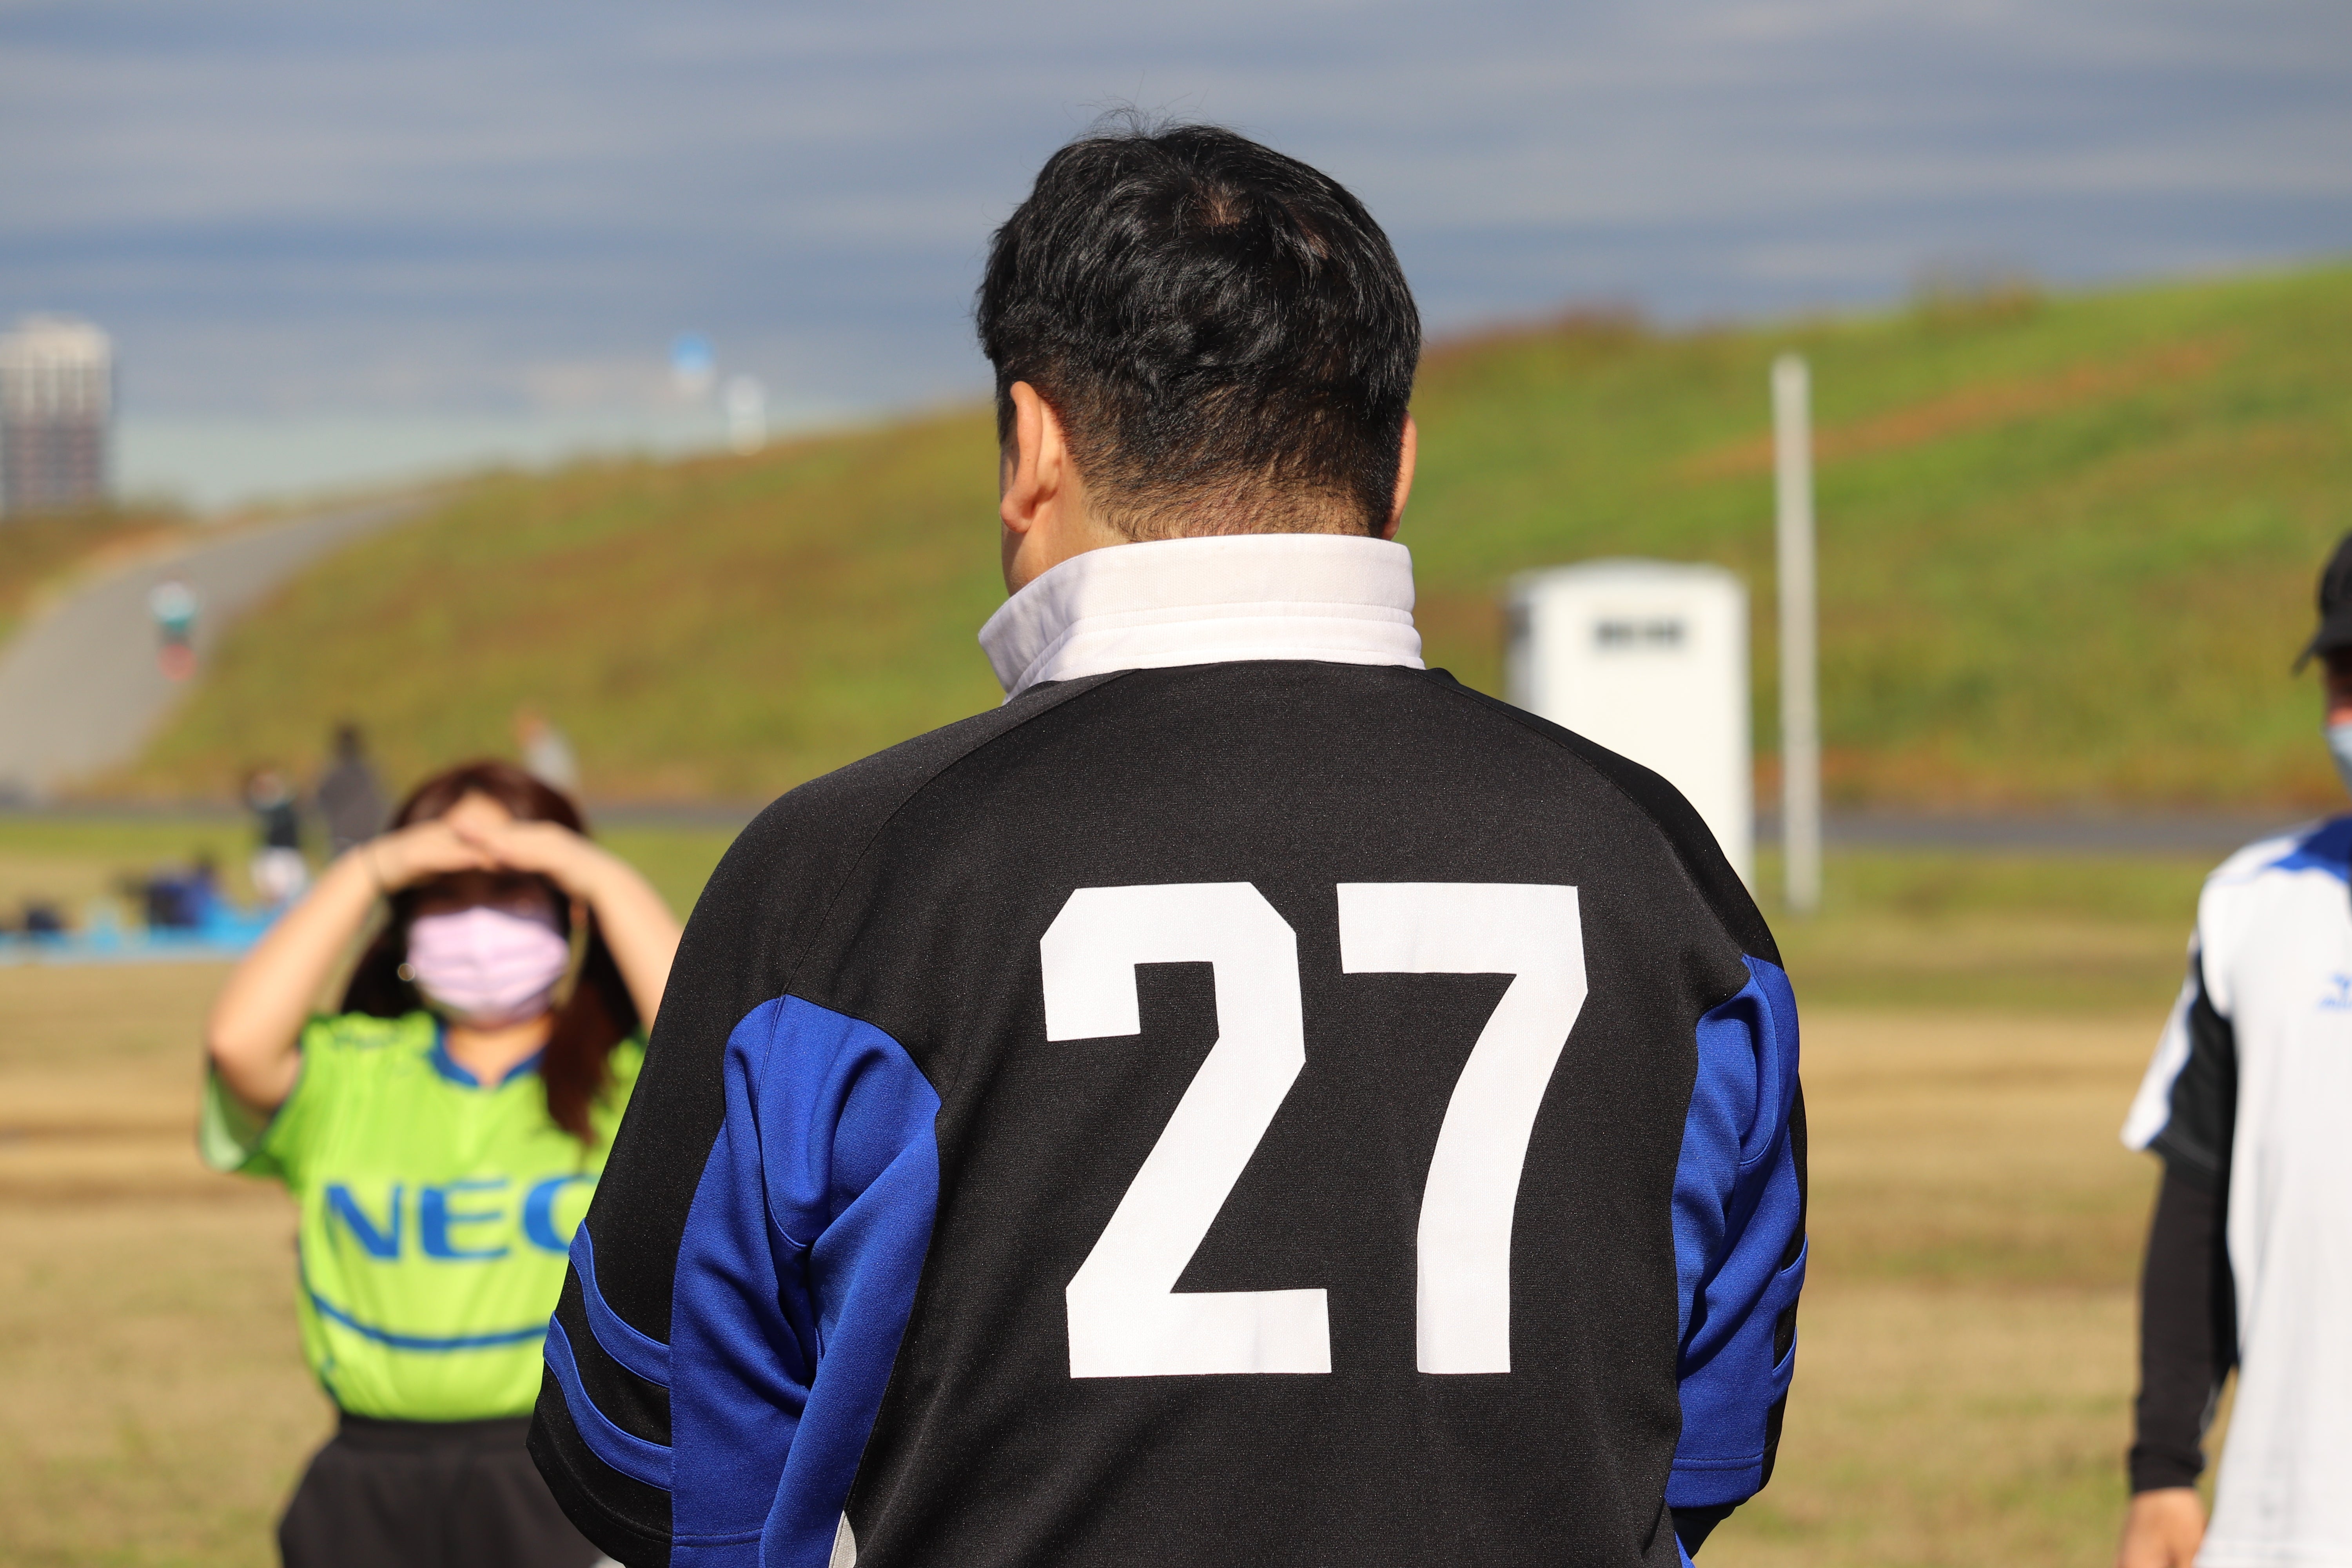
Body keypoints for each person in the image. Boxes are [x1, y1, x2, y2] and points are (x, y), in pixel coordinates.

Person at [530, 123, 1805, 1568]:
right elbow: (1702, 1441)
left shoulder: (845, 873)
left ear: (1033, 446)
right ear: (1395, 463)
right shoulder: (1653, 862)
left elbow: (658, 1461)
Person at [202, 759, 682, 1568]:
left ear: (568, 906)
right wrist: (369, 868)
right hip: (369, 1481)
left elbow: (710, 1039)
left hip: (570, 1473)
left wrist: (595, 872)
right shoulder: (350, 1071)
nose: (480, 919)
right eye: (445, 891)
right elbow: (238, 1044)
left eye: (512, 886)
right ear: (404, 916)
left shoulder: (630, 1079)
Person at [2117, 532, 2352, 1568]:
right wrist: (2163, 1468)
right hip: (2284, 1516)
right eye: (2345, 676)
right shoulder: (2253, 904)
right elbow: (2199, 1195)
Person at [316, 722, 389, 857]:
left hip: (343, 839)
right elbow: (383, 805)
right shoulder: (370, 774)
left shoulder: (335, 775)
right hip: (367, 839)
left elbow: (318, 804)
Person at [244, 766, 309, 906]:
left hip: (290, 855)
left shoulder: (286, 805)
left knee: (296, 898)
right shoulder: (265, 806)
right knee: (277, 897)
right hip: (274, 855)